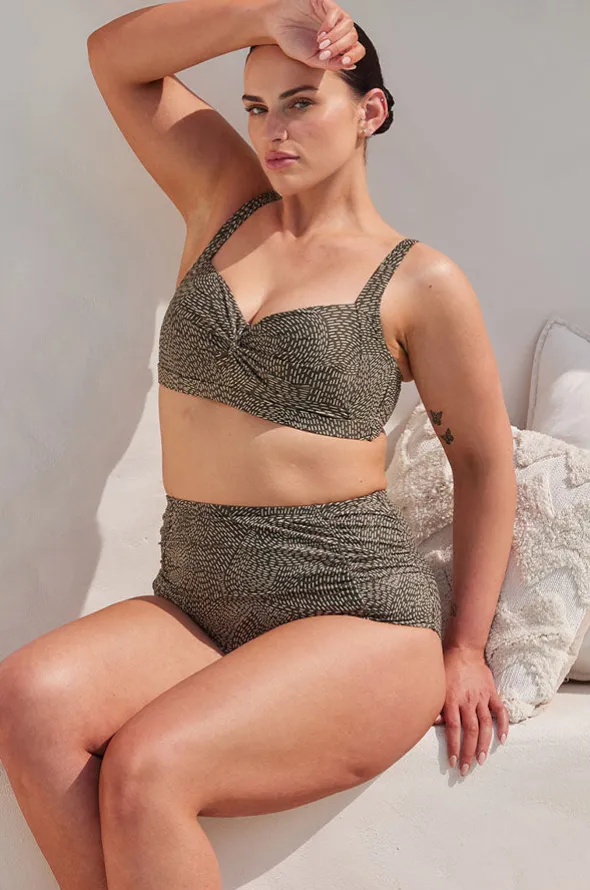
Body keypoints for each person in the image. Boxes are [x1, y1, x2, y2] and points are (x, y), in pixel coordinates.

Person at [0, 1, 515, 888]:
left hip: (355, 613)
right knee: (30, 699)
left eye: (301, 102)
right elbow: (116, 58)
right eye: (255, 107)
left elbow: (483, 462)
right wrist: (266, 16)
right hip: (198, 597)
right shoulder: (222, 201)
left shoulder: (421, 279)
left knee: (149, 768)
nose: (273, 129)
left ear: (369, 111)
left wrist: (466, 648)